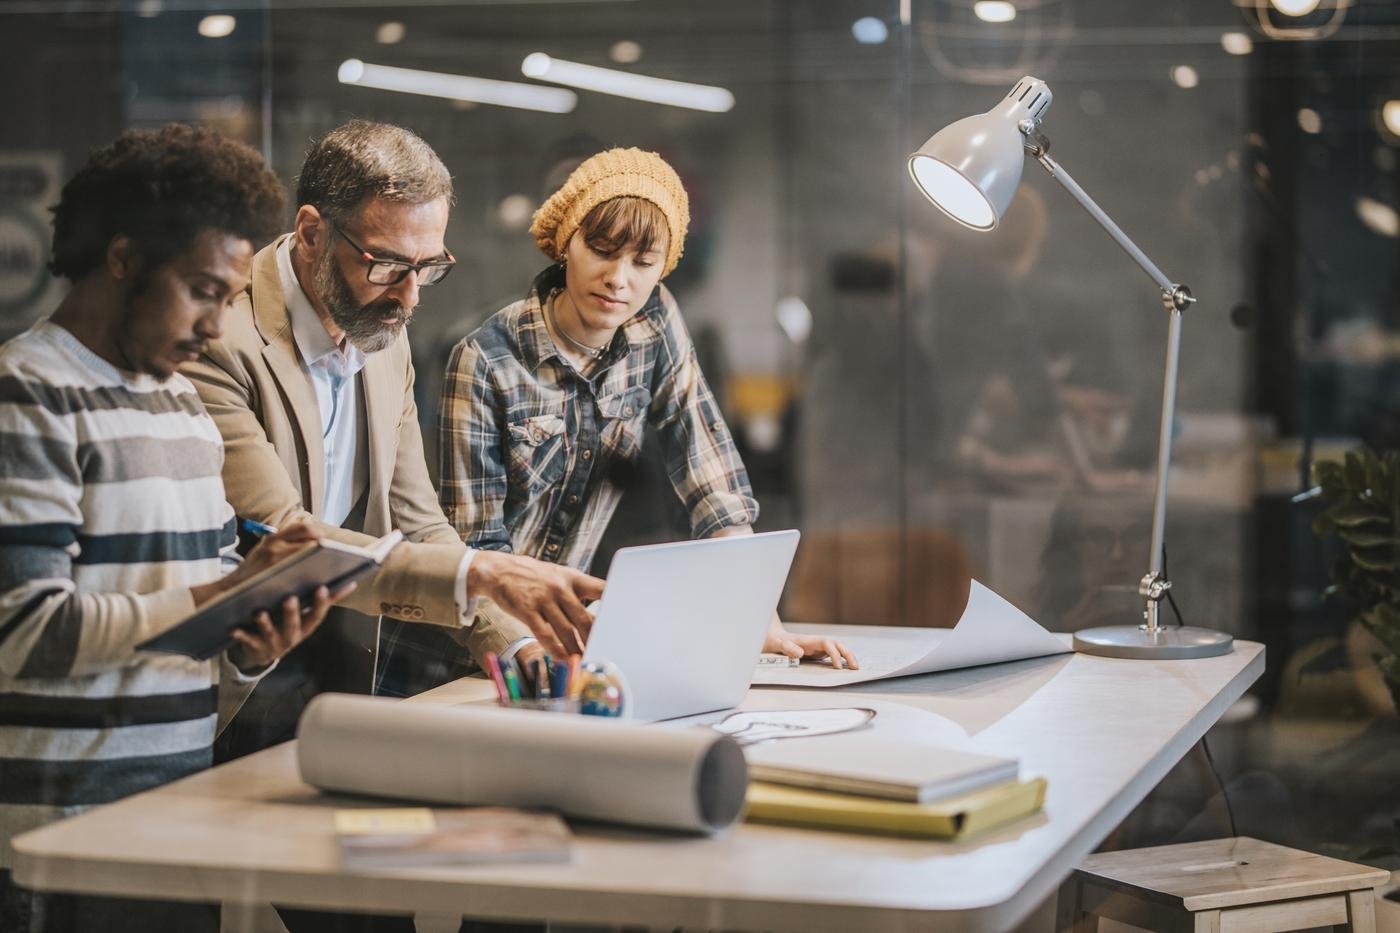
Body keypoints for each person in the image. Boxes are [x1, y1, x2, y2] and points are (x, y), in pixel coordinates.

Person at [0, 124, 344, 933]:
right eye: (201, 290)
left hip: (169, 827)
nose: (216, 326)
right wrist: (217, 595)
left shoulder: (184, 407)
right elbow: (24, 632)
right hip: (54, 852)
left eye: (227, 299)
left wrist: (250, 643)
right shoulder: (28, 393)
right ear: (122, 259)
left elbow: (188, 632)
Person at [184, 121, 605, 758]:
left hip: (333, 679)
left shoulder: (382, 323)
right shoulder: (220, 336)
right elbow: (282, 537)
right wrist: (483, 571)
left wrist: (517, 644)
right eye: (386, 264)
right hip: (224, 684)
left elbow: (416, 521)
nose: (409, 296)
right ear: (311, 233)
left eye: (427, 268)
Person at [439, 147, 856, 669]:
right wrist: (523, 647)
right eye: (602, 250)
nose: (619, 278)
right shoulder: (484, 359)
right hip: (469, 646)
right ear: (566, 242)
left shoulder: (654, 322)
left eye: (642, 262)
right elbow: (476, 548)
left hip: (558, 643)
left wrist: (760, 625)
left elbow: (709, 477)